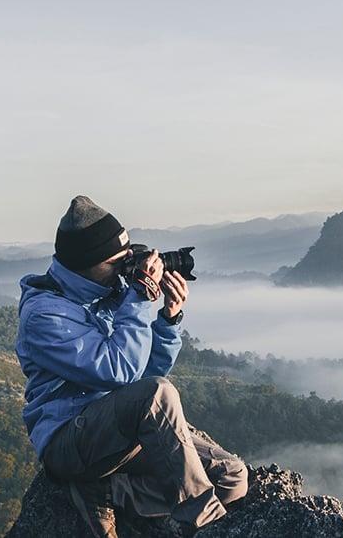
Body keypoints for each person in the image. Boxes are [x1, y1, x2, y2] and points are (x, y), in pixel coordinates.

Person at [16, 195, 247, 537]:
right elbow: (121, 372)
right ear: (85, 264)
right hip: (70, 442)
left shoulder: (108, 295)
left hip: (119, 434)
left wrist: (168, 321)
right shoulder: (45, 315)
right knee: (158, 395)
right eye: (116, 263)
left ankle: (110, 492)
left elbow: (145, 376)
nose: (124, 270)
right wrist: (138, 298)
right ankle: (207, 525)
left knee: (231, 477)